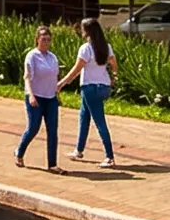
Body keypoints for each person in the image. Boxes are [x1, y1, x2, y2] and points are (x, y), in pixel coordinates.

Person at [61, 16, 117, 166]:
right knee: (84, 116)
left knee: (99, 121)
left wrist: (62, 83)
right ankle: (78, 150)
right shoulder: (106, 46)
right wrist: (113, 78)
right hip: (103, 87)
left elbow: (76, 69)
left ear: (87, 32)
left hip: (89, 88)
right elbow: (114, 64)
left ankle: (109, 156)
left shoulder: (86, 48)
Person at [15, 25, 62, 172]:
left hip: (50, 98)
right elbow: (27, 78)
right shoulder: (32, 56)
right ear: (37, 40)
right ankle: (20, 152)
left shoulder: (52, 57)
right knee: (34, 127)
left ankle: (52, 164)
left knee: (53, 131)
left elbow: (54, 78)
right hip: (36, 97)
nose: (46, 42)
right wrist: (31, 95)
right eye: (43, 39)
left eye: (48, 40)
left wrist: (57, 95)